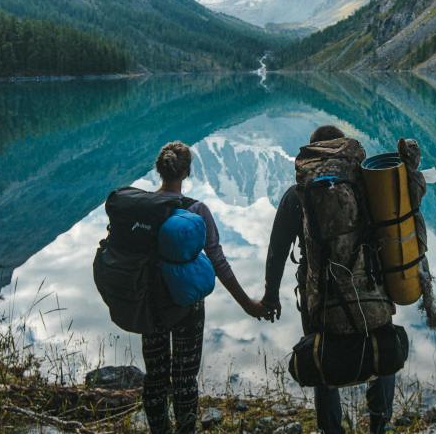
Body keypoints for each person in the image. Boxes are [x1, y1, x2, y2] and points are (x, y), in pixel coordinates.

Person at [261, 125, 396, 434]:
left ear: (312, 156)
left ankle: (331, 429)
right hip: (370, 288)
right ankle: (379, 423)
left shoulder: (298, 194)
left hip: (320, 295)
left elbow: (277, 251)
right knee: (381, 348)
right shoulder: (367, 188)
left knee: (321, 356)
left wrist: (271, 296)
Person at [144, 141, 268, 434]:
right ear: (186, 172)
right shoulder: (197, 209)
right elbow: (218, 261)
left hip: (151, 302)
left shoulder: (142, 208)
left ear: (159, 170)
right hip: (187, 304)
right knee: (185, 377)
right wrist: (248, 304)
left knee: (155, 377)